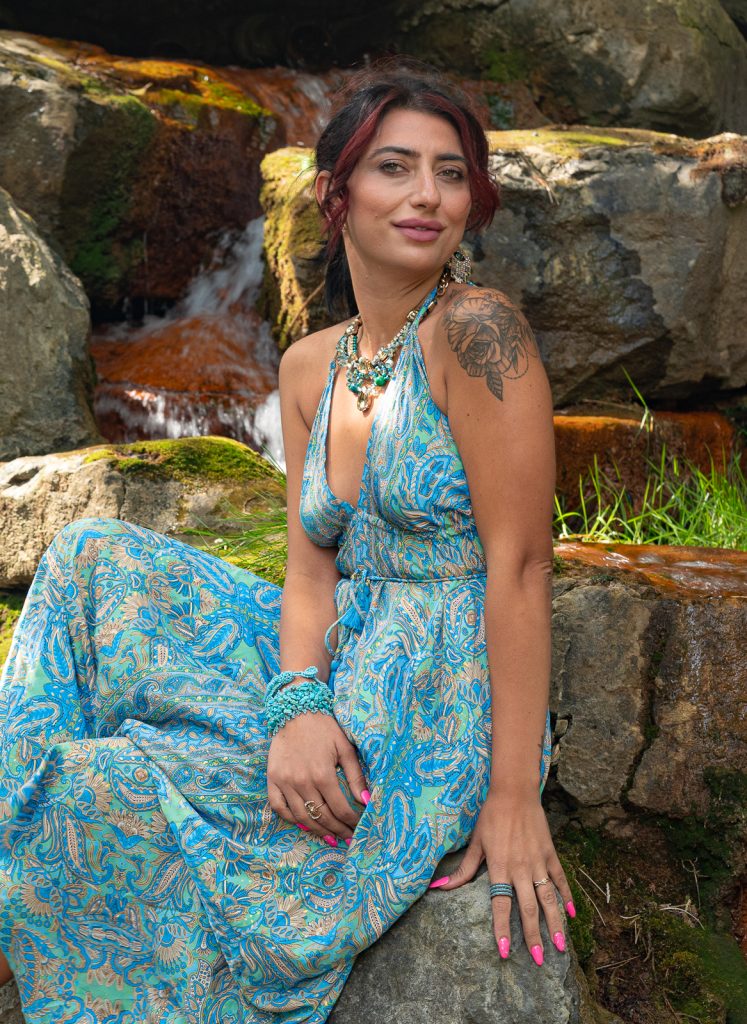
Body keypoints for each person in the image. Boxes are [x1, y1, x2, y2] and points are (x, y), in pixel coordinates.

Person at [0, 58, 575, 1022]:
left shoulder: (478, 333)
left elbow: (520, 568)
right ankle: (12, 839)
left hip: (431, 694)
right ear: (334, 194)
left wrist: (511, 795)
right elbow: (310, 570)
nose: (427, 195)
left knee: (104, 782)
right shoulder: (312, 364)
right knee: (88, 557)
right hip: (340, 653)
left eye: (449, 173)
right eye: (394, 167)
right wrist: (297, 706)